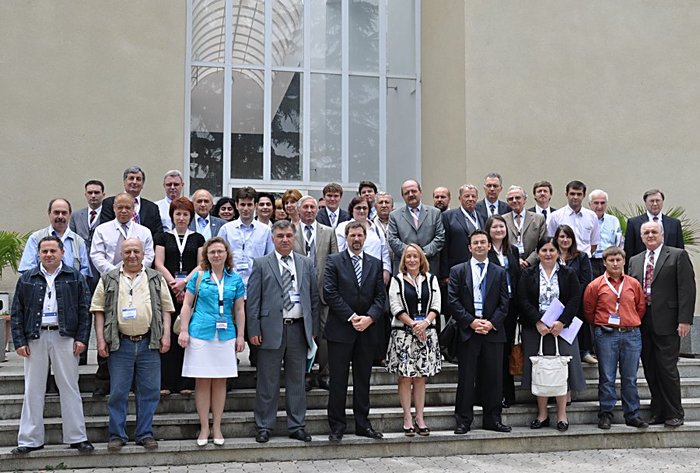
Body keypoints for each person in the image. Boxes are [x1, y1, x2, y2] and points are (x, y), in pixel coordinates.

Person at [10, 236, 94, 455]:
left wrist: (82, 339)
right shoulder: (28, 278)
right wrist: (19, 341)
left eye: (52, 251)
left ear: (62, 253)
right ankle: (30, 439)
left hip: (64, 336)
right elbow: (17, 310)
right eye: (44, 251)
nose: (48, 255)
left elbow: (85, 310)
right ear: (38, 254)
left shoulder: (74, 277)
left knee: (69, 387)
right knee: (33, 389)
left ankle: (77, 437)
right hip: (35, 337)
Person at [91, 238, 175, 451]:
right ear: (121, 254)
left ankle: (144, 433)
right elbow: (98, 310)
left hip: (149, 343)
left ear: (143, 253)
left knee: (150, 391)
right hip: (121, 344)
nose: (132, 255)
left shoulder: (155, 278)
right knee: (118, 392)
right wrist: (101, 339)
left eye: (136, 251)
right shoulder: (108, 278)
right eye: (127, 251)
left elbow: (166, 307)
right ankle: (117, 435)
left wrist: (166, 335)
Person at [247, 220, 320, 443]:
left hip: (298, 329)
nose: (285, 239)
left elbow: (313, 298)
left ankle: (297, 425)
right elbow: (253, 300)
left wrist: (313, 330)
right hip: (270, 330)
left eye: (289, 235)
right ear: (273, 238)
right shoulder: (261, 264)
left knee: (296, 381)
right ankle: (263, 426)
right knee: (267, 381)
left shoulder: (306, 264)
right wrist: (254, 329)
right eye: (280, 236)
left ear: (294, 237)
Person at [177, 237, 246, 446]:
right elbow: (187, 305)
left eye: (220, 251)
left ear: (227, 254)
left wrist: (241, 335)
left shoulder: (235, 279)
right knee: (202, 381)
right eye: (212, 252)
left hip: (225, 336)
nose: (216, 255)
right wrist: (183, 331)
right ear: (206, 255)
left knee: (220, 381)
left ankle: (217, 426)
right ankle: (204, 427)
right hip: (200, 333)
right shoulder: (198, 277)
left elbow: (240, 309)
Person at [628, 221, 696, 427]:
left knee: (667, 369)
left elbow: (687, 289)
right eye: (646, 232)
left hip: (668, 321)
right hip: (642, 321)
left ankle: (675, 412)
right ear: (641, 237)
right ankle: (657, 411)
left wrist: (684, 319)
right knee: (650, 368)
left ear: (662, 235)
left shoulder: (677, 255)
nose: (650, 235)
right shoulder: (635, 260)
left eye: (654, 232)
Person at [324, 221, 386, 442]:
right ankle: (337, 426)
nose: (356, 239)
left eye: (360, 235)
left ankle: (362, 423)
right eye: (353, 236)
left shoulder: (375, 264)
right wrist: (352, 317)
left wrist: (369, 318)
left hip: (367, 331)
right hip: (341, 329)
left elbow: (381, 297)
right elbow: (329, 293)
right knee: (338, 381)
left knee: (363, 379)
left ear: (365, 237)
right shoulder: (333, 261)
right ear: (346, 238)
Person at [517, 237, 585, 432]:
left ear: (558, 252)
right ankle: (542, 414)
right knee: (541, 369)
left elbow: (574, 299)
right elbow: (522, 299)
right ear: (538, 253)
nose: (548, 254)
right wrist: (538, 321)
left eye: (552, 250)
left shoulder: (568, 273)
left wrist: (561, 321)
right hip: (536, 328)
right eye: (544, 250)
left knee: (560, 370)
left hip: (561, 329)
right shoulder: (528, 274)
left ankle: (562, 414)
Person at [448, 230, 510, 435]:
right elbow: (453, 301)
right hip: (468, 331)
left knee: (494, 378)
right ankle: (463, 420)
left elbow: (504, 302)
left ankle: (493, 419)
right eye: (476, 243)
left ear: (489, 246)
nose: (480, 246)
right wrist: (472, 322)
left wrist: (491, 323)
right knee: (466, 378)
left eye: (483, 242)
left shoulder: (499, 271)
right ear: (469, 247)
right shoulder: (458, 270)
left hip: (492, 332)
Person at [583, 247, 648, 429]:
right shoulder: (595, 285)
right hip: (606, 335)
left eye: (618, 259)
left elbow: (640, 307)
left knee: (629, 377)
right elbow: (589, 310)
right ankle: (605, 414)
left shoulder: (633, 284)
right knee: (607, 377)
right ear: (604, 262)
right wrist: (603, 324)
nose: (615, 263)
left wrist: (629, 321)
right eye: (611, 260)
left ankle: (632, 414)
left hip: (631, 335)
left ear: (624, 261)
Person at [386, 244, 442, 436]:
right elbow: (395, 306)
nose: (411, 260)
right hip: (403, 335)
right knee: (405, 377)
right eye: (408, 256)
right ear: (403, 260)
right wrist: (413, 325)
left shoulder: (431, 279)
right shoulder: (397, 280)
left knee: (420, 378)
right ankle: (407, 418)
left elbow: (436, 304)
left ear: (421, 260)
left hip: (426, 333)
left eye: (415, 257)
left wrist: (425, 323)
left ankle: (420, 417)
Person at [154, 197, 205, 395]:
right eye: (178, 214)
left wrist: (185, 283)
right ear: (172, 216)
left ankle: (186, 383)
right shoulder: (163, 237)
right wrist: (174, 284)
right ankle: (167, 382)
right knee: (168, 332)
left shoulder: (198, 238)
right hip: (168, 289)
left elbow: (201, 264)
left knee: (187, 333)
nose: (181, 218)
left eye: (185, 214)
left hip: (191, 290)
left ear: (190, 217)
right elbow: (158, 263)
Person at [218, 187, 275, 366]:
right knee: (230, 329)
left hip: (256, 287)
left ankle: (258, 367)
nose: (246, 208)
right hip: (231, 286)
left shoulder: (265, 231)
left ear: (256, 206)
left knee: (256, 329)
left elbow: (270, 259)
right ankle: (230, 369)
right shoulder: (226, 229)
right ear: (236, 205)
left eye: (250, 204)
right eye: (242, 204)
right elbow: (218, 256)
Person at [293, 196, 339, 391]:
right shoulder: (290, 232)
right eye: (305, 207)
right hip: (297, 293)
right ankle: (306, 374)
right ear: (298, 210)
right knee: (302, 335)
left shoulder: (328, 232)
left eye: (312, 207)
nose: (310, 210)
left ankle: (325, 373)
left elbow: (335, 261)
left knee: (325, 336)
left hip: (323, 293)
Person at [485, 215, 521, 407]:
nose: (499, 230)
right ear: (488, 231)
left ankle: (509, 394)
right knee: (494, 352)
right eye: (495, 227)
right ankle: (495, 393)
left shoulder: (512, 250)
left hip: (511, 305)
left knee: (507, 350)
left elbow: (517, 277)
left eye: (502, 226)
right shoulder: (485, 251)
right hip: (493, 308)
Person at [19, 198, 92, 278]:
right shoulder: (36, 238)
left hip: (71, 289)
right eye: (56, 212)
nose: (60, 216)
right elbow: (27, 269)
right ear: (49, 213)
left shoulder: (79, 241)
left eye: (64, 213)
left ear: (70, 215)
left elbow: (84, 271)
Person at [554, 224, 595, 364]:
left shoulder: (581, 257)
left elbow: (586, 280)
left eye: (568, 237)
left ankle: (584, 352)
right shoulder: (551, 255)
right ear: (556, 238)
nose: (565, 240)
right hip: (555, 300)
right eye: (562, 236)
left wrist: (574, 295)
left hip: (577, 298)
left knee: (579, 317)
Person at [387, 179, 445, 277]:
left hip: (430, 265)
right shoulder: (394, 216)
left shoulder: (435, 213)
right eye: (406, 193)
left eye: (413, 191)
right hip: (404, 268)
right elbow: (393, 240)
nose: (410, 194)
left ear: (420, 192)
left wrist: (422, 253)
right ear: (403, 196)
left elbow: (440, 237)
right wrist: (411, 254)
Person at [90, 193, 155, 276]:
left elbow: (149, 256)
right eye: (120, 207)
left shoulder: (144, 232)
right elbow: (97, 255)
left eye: (127, 207)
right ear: (114, 208)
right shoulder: (101, 230)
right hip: (109, 277)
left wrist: (135, 272)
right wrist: (116, 272)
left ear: (133, 209)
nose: (123, 211)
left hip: (138, 278)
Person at [336, 196, 392, 284]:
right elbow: (338, 251)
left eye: (365, 208)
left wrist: (386, 270)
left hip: (374, 275)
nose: (362, 211)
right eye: (358, 208)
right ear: (352, 210)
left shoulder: (376, 228)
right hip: (350, 275)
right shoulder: (342, 227)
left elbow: (384, 253)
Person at [98, 166, 164, 239]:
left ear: (142, 184)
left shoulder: (152, 208)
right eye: (131, 178)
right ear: (124, 182)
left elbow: (158, 234)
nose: (134, 182)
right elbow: (105, 230)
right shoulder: (109, 203)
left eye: (138, 179)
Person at [624, 189, 684, 262]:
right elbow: (629, 250)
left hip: (669, 266)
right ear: (645, 203)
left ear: (662, 202)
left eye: (658, 200)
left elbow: (680, 249)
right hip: (643, 265)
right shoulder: (634, 223)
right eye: (652, 201)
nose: (655, 204)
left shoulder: (674, 223)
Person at [547, 180, 600, 257]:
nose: (575, 197)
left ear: (584, 195)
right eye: (572, 194)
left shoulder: (592, 216)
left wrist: (583, 257)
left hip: (585, 260)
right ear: (566, 194)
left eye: (579, 194)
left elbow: (594, 244)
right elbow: (551, 241)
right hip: (563, 260)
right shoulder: (555, 216)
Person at [503, 185, 547, 269]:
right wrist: (515, 260)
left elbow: (543, 244)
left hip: (533, 266)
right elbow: (501, 244)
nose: (514, 201)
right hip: (510, 266)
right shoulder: (503, 220)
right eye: (511, 199)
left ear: (525, 199)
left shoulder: (538, 219)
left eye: (518, 198)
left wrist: (529, 261)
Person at [588, 189, 622, 278]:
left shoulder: (614, 221)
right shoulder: (584, 220)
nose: (599, 206)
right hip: (590, 261)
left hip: (609, 261)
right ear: (589, 204)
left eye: (603, 203)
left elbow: (618, 243)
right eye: (596, 203)